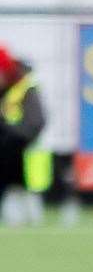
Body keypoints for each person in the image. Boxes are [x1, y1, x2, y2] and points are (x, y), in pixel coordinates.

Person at [0, 44, 50, 227]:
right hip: (8, 150)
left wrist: (12, 131)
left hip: (25, 149)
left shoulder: (26, 87)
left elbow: (37, 122)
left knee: (28, 191)